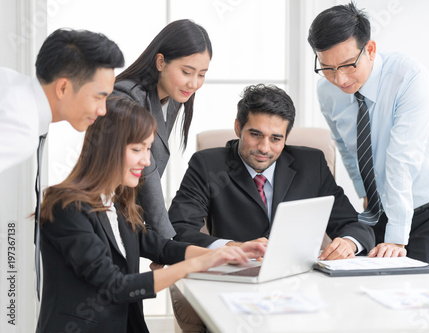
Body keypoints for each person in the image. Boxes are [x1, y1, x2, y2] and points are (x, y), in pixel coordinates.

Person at [36, 96, 264, 333]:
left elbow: (159, 247)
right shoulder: (64, 206)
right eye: (137, 149)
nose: (146, 161)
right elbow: (114, 286)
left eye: (148, 149)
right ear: (107, 149)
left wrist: (225, 251)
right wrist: (195, 264)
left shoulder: (117, 202)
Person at [167, 84, 375, 332]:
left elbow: (354, 224)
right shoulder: (208, 165)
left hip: (301, 286)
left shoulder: (312, 164)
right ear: (238, 128)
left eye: (276, 139)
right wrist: (230, 248)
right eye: (255, 134)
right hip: (237, 286)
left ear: (286, 137)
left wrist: (349, 243)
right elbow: (178, 229)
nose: (265, 148)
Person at [308, 2, 429, 275]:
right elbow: (349, 150)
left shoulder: (409, 78)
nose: (340, 79)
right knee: (376, 297)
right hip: (381, 207)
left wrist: (395, 237)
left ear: (369, 49)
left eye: (347, 65)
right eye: (328, 68)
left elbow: (401, 159)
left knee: (420, 299)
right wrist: (366, 194)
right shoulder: (327, 91)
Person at [112, 19, 211, 239]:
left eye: (202, 74)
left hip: (131, 221)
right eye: (187, 71)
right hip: (108, 218)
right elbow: (148, 171)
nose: (194, 83)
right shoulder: (126, 98)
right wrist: (167, 245)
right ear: (160, 62)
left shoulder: (173, 96)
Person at [0, 28, 124, 175]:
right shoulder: (22, 128)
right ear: (63, 88)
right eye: (98, 98)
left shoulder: (9, 80)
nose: (102, 110)